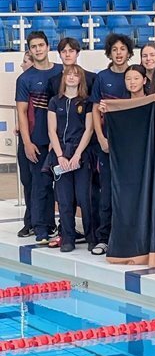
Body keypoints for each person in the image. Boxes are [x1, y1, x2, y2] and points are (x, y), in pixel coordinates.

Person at [15, 31, 62, 244]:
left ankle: (59, 226)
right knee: (39, 186)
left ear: (47, 46)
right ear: (30, 50)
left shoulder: (63, 72)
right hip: (38, 141)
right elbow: (22, 113)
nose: (38, 49)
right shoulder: (25, 79)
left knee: (62, 186)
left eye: (41, 45)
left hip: (62, 142)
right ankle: (41, 228)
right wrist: (27, 142)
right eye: (33, 46)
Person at [90, 33, 133, 256]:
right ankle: (104, 238)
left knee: (128, 193)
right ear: (110, 52)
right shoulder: (102, 77)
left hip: (129, 147)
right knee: (106, 193)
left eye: (122, 49)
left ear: (128, 52)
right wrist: (101, 138)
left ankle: (127, 237)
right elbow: (95, 110)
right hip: (106, 145)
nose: (118, 53)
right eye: (114, 49)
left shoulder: (135, 75)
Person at [46, 65, 94, 252]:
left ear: (81, 79)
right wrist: (60, 156)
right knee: (64, 199)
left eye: (76, 75)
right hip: (61, 155)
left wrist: (77, 155)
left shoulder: (87, 102)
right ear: (63, 78)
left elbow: (89, 129)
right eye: (69, 74)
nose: (72, 78)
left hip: (80, 154)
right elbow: (52, 130)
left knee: (84, 197)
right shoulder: (54, 101)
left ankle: (91, 236)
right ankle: (68, 237)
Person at [16, 51, 34, 238]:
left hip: (40, 139)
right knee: (27, 182)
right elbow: (22, 111)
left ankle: (35, 221)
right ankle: (30, 220)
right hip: (25, 138)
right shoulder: (23, 83)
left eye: (24, 61)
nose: (22, 65)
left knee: (39, 184)